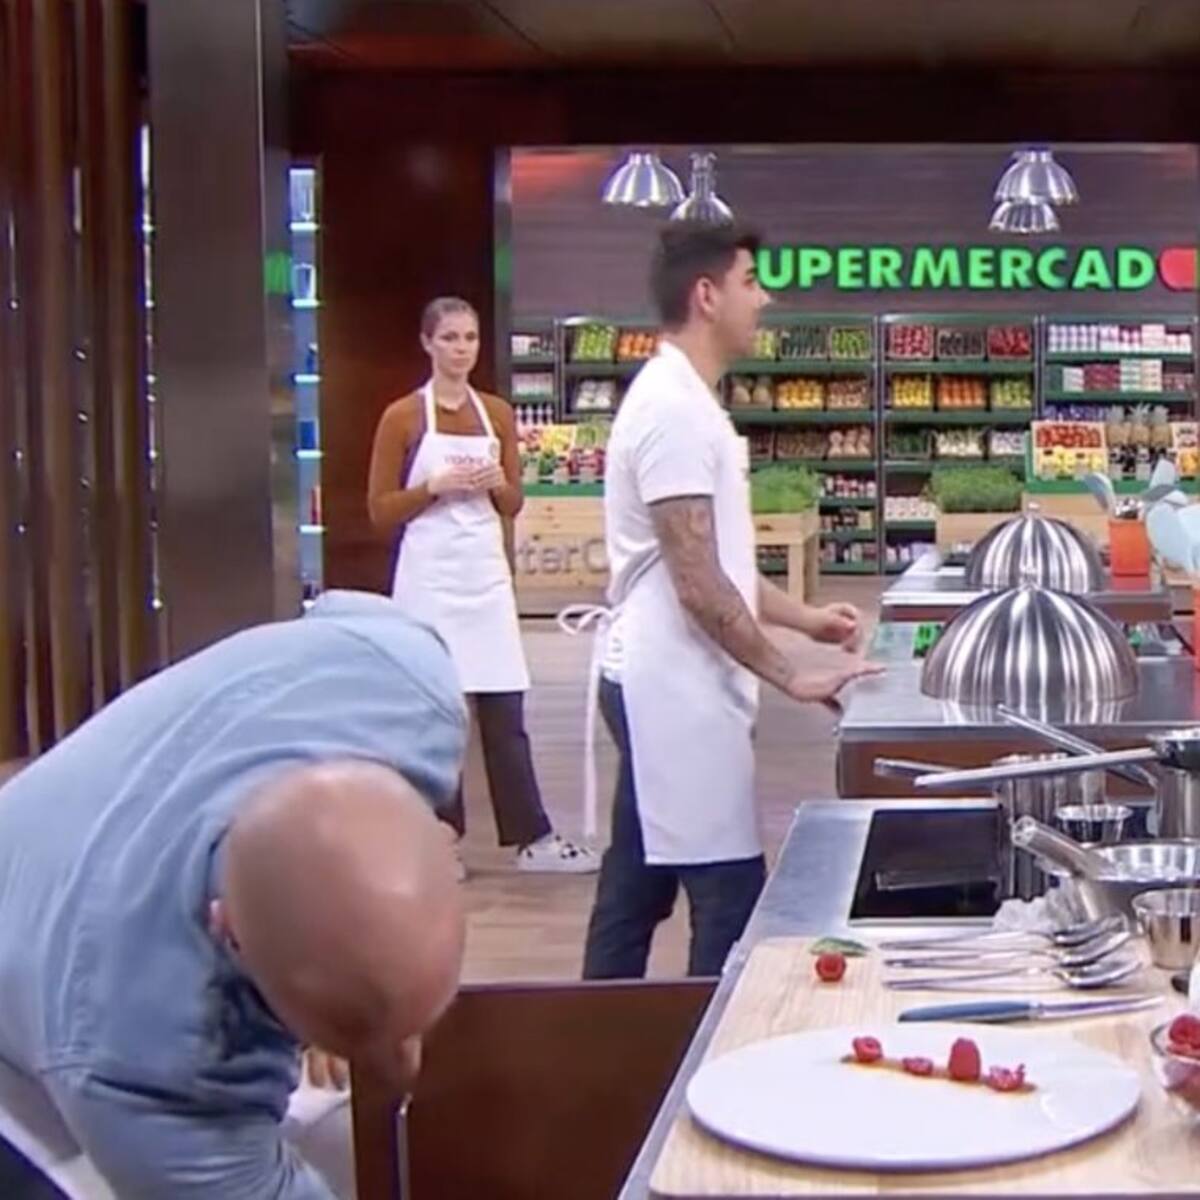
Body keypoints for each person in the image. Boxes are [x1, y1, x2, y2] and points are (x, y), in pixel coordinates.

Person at [0, 591, 470, 1198]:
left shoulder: (400, 673)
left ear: (443, 841)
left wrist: (349, 1012)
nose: (405, 1064)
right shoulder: (140, 1065)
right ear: (226, 931)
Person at [580, 223, 884, 980]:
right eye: (750, 281)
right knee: (728, 893)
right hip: (673, 687)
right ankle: (714, 1037)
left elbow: (721, 565)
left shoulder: (688, 401)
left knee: (636, 885)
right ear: (706, 295)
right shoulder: (673, 411)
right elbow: (696, 581)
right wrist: (791, 674)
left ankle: (598, 1025)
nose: (765, 297)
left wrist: (806, 620)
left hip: (673, 677)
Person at [368, 296, 596, 875]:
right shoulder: (402, 417)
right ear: (427, 343)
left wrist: (495, 483)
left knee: (505, 708)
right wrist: (433, 488)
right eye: (449, 338)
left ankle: (533, 837)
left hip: (484, 578)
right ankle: (439, 838)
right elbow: (380, 511)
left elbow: (514, 502)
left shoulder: (495, 413)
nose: (461, 349)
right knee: (435, 712)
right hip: (429, 580)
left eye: (469, 338)